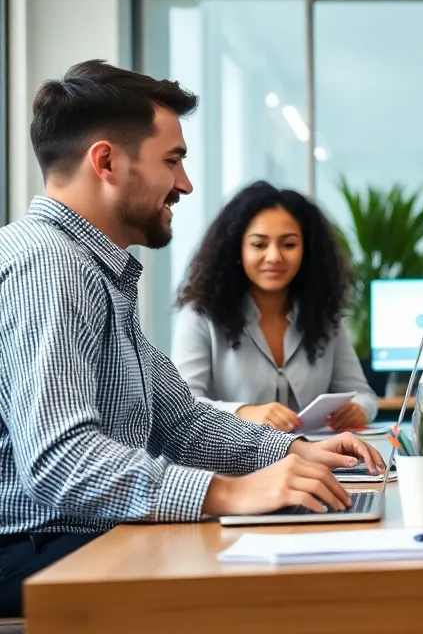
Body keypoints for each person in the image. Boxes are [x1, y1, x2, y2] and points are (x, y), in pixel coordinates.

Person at [0, 61, 383, 617]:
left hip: (82, 537)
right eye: (172, 160)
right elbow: (64, 460)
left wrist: (295, 452)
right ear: (105, 162)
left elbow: (181, 421)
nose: (185, 184)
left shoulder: (94, 271)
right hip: (39, 553)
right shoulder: (50, 268)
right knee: (283, 592)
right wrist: (231, 492)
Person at [172, 181, 377, 432]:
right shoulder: (200, 315)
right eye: (259, 245)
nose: (274, 257)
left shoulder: (324, 316)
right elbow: (182, 405)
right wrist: (244, 412)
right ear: (237, 249)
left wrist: (358, 409)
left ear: (307, 251)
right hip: (236, 455)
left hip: (313, 452)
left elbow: (364, 395)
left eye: (288, 244)